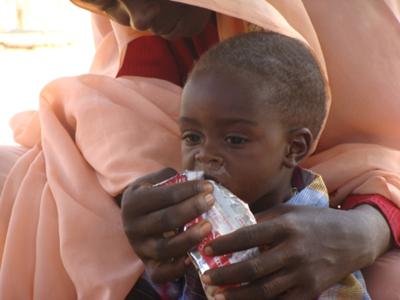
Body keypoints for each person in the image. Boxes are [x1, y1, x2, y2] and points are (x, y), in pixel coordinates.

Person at [0, 0, 399, 299]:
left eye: (236, 138)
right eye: (107, 4)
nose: (136, 19)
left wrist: (370, 228)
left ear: (298, 144)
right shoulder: (140, 43)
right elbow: (119, 121)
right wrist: (134, 203)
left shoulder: (354, 24)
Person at [123, 30, 371, 300]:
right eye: (192, 137)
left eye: (234, 139)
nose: (204, 156)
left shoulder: (315, 248)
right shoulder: (185, 216)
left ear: (294, 147)